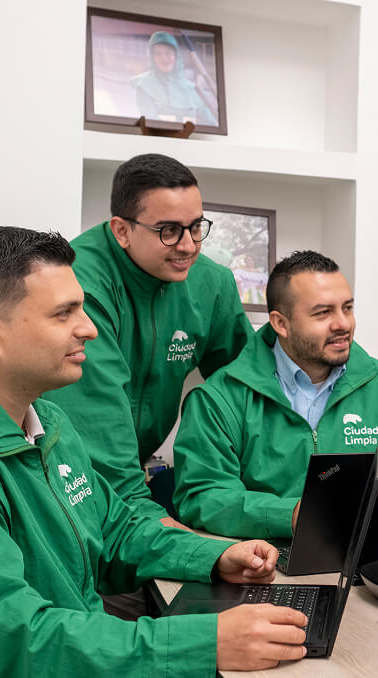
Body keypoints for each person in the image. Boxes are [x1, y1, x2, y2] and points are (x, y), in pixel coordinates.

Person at [0, 227, 307, 676]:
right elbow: (14, 645)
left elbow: (115, 530)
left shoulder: (45, 421)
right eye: (63, 313)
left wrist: (212, 556)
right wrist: (204, 644)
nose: (89, 329)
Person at [44, 153, 252, 526]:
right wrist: (163, 530)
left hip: (139, 472)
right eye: (168, 230)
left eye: (196, 227)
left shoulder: (212, 282)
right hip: (70, 478)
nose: (188, 245)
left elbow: (248, 389)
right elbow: (98, 429)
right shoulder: (80, 285)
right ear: (122, 230)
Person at [172, 251, 378, 539]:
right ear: (280, 323)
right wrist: (292, 515)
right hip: (265, 560)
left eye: (347, 308)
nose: (343, 324)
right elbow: (203, 497)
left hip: (368, 555)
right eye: (323, 313)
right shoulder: (218, 400)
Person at [131, 31, 217, 126]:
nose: (164, 58)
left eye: (168, 53)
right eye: (158, 54)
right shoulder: (144, 86)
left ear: (177, 56)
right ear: (152, 57)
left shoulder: (195, 90)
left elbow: (209, 125)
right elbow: (149, 120)